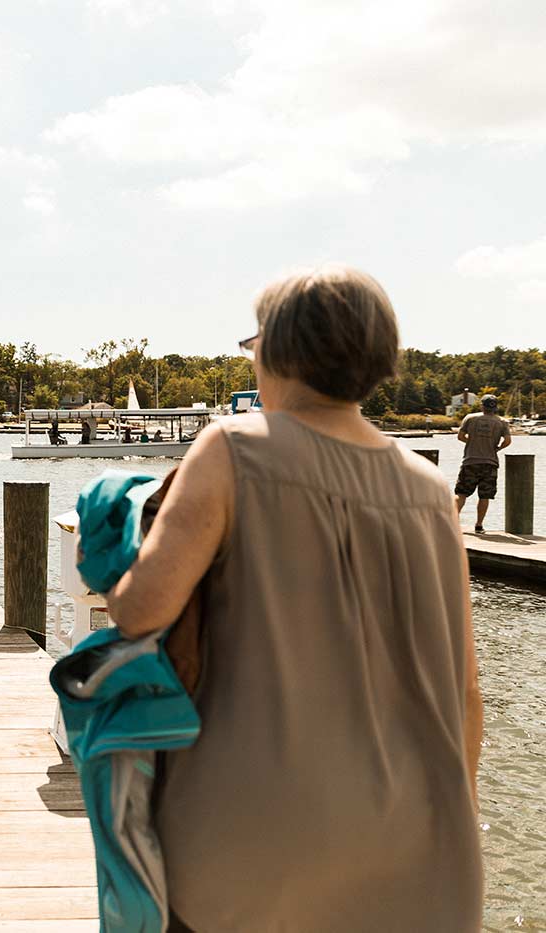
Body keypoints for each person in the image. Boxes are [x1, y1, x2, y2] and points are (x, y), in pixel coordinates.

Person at [102, 265, 481, 931]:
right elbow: (466, 693)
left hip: (253, 845)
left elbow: (140, 610)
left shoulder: (233, 448)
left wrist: (112, 550)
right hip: (413, 849)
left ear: (276, 350)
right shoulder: (428, 490)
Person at [455, 393, 512, 534]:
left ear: (482, 405)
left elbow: (460, 436)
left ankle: (452, 522)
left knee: (461, 493)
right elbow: (508, 441)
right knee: (484, 496)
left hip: (470, 461)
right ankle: (479, 525)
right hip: (490, 463)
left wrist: (472, 442)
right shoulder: (502, 422)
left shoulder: (470, 418)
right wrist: (497, 448)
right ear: (495, 407)